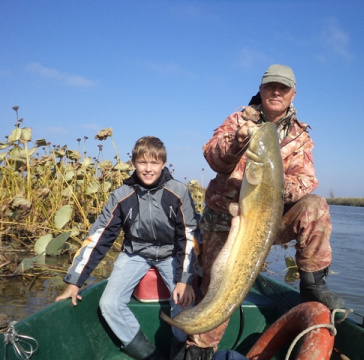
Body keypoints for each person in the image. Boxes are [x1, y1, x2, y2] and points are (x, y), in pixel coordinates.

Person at [184, 64, 345, 359]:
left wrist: (275, 189)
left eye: (282, 88)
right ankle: (199, 349)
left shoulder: (300, 136)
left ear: (292, 94)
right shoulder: (238, 119)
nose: (275, 92)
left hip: (268, 218)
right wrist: (239, 140)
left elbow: (307, 179)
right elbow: (214, 158)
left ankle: (312, 286)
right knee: (217, 289)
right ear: (260, 89)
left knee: (316, 206)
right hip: (225, 220)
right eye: (270, 86)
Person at [55, 136, 199, 360]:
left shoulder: (178, 192)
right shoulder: (121, 196)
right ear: (133, 163)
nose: (148, 169)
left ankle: (179, 350)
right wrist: (74, 281)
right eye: (142, 163)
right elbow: (100, 236)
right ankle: (150, 355)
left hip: (172, 254)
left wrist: (185, 280)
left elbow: (188, 237)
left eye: (154, 163)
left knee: (184, 302)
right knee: (109, 304)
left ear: (163, 164)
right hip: (136, 254)